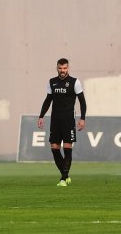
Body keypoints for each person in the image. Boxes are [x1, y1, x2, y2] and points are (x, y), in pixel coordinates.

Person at [38, 58, 87, 187]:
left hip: (68, 121)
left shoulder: (74, 82)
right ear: (57, 68)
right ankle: (66, 175)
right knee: (54, 149)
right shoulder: (52, 82)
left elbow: (82, 101)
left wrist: (82, 119)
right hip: (55, 121)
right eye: (60, 68)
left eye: (65, 68)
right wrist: (41, 116)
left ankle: (63, 179)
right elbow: (48, 100)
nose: (62, 71)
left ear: (68, 68)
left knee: (67, 149)